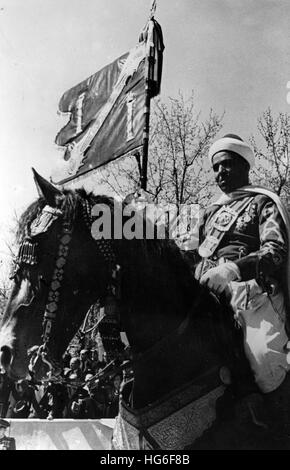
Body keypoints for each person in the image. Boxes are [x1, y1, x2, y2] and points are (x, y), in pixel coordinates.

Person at [195, 134, 290, 431]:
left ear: (244, 165)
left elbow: (275, 251)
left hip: (253, 296)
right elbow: (191, 255)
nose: (219, 173)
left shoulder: (263, 202)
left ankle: (278, 429)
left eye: (226, 165)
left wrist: (233, 270)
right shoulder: (208, 212)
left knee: (264, 362)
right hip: (208, 295)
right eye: (215, 168)